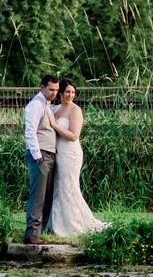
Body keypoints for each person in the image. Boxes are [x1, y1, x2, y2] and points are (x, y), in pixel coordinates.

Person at [43, 79, 111, 237]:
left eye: (73, 92)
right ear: (61, 92)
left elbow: (74, 136)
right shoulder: (56, 108)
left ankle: (73, 224)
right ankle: (56, 223)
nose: (70, 95)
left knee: (69, 187)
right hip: (57, 153)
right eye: (67, 92)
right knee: (58, 187)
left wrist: (55, 125)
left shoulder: (75, 110)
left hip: (70, 154)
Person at [22, 75, 61, 244]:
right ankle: (32, 234)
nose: (54, 93)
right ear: (42, 87)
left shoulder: (47, 104)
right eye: (51, 89)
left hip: (49, 154)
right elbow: (30, 132)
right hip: (40, 155)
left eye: (56, 90)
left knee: (47, 195)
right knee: (38, 196)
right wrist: (38, 157)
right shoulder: (36, 105)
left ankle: (41, 230)